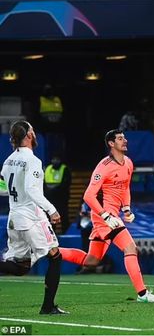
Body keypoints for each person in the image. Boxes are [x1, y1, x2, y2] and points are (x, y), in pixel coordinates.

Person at [57, 129, 154, 303]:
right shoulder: (103, 167)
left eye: (124, 138)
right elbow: (88, 196)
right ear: (111, 144)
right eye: (120, 139)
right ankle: (143, 294)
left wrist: (127, 208)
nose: (125, 141)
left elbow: (125, 188)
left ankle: (50, 250)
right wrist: (106, 216)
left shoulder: (128, 163)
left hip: (114, 215)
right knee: (131, 248)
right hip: (104, 217)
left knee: (91, 260)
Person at [0, 121, 68, 314]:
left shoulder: (9, 160)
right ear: (29, 135)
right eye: (33, 130)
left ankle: (49, 306)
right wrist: (52, 210)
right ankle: (48, 307)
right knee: (55, 256)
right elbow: (32, 190)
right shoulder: (33, 161)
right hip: (30, 217)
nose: (35, 133)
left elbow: (2, 187)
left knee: (21, 267)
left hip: (14, 217)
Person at [44, 155, 71, 233]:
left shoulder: (64, 169)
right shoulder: (47, 169)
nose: (55, 161)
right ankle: (51, 234)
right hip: (50, 199)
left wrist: (55, 189)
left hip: (61, 198)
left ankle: (65, 232)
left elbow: (66, 183)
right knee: (50, 218)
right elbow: (43, 184)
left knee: (64, 216)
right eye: (54, 159)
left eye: (57, 159)